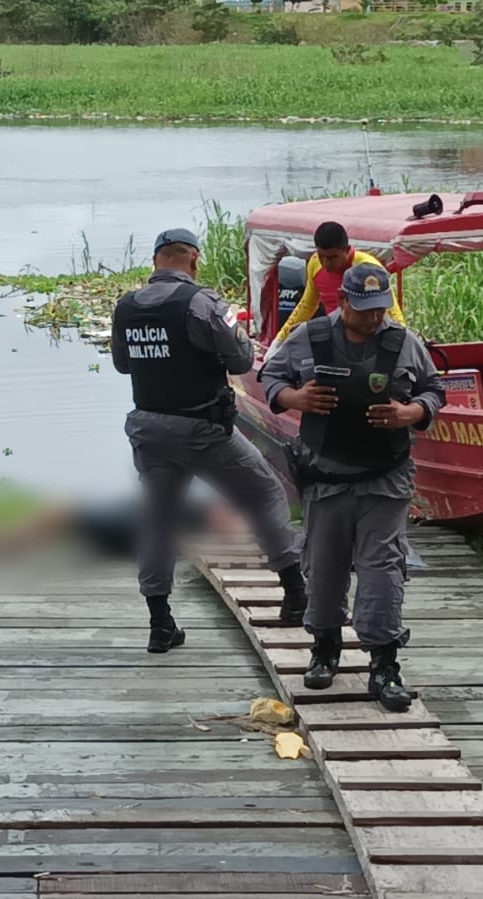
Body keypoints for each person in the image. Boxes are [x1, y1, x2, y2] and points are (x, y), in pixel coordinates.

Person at [111, 227, 308, 653]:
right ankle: (295, 594)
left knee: (159, 518)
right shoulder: (201, 303)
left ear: (155, 261)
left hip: (149, 429)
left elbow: (123, 366)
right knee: (265, 492)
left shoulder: (126, 307)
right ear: (194, 260)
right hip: (203, 430)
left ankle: (160, 623)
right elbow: (240, 358)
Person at [259, 262, 446, 713]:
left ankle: (384, 663)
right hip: (325, 477)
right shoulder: (311, 337)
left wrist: (412, 412)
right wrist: (294, 399)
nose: (372, 318)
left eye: (379, 309)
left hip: (386, 476)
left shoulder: (403, 343)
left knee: (382, 568)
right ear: (342, 301)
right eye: (363, 310)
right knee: (324, 568)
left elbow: (435, 389)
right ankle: (325, 648)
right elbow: (271, 377)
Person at [269, 221, 405, 352]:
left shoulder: (368, 268)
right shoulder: (315, 264)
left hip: (368, 339)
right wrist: (280, 340)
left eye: (333, 257)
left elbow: (390, 309)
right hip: (335, 339)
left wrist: (402, 340)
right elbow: (307, 306)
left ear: (347, 250)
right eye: (322, 256)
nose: (326, 263)